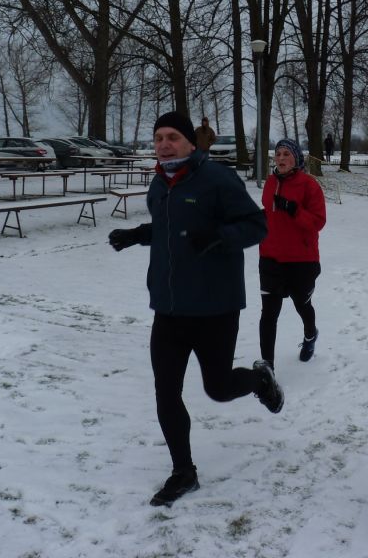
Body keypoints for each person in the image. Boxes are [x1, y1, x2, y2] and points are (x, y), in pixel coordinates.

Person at [107, 111, 284, 507]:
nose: (164, 144)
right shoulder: (159, 183)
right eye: (158, 138)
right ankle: (183, 472)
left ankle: (259, 381)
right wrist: (138, 235)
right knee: (166, 391)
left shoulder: (218, 179)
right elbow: (170, 228)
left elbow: (257, 225)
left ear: (191, 142)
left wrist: (220, 236)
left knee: (218, 389)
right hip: (169, 306)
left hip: (215, 306)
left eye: (172, 137)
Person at [258, 139, 327, 369]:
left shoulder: (309, 185)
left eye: (286, 154)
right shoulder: (270, 182)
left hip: (301, 260)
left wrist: (294, 210)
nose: (280, 158)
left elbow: (318, 222)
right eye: (278, 153)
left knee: (302, 305)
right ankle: (267, 369)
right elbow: (269, 212)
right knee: (269, 314)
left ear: (296, 158)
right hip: (270, 257)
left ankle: (310, 335)